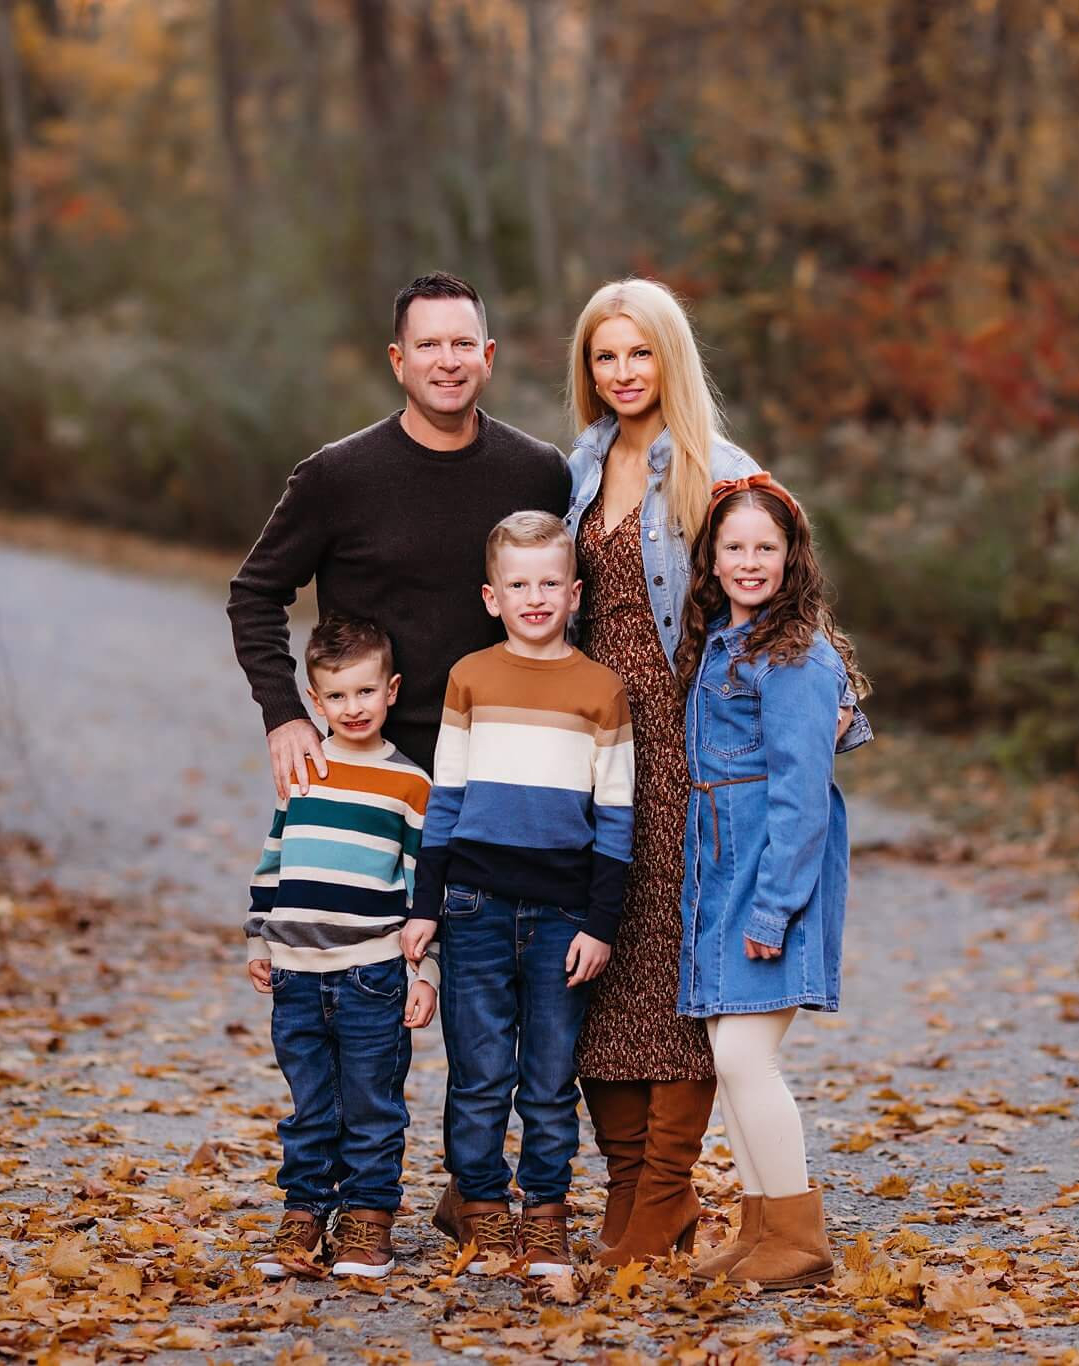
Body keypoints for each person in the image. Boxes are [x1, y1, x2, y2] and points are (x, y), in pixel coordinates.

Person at [560, 278, 871, 1266]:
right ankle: (636, 1201)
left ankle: (673, 1196)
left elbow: (775, 582)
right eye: (603, 357)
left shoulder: (713, 463)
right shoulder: (579, 462)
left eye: (638, 354)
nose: (621, 375)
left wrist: (831, 702)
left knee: (680, 970)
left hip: (691, 740)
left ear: (670, 359)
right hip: (601, 737)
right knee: (604, 960)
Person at [399, 512, 633, 1278]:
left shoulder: (602, 690)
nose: (535, 598)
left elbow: (616, 818)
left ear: (574, 592)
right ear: (492, 596)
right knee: (480, 1072)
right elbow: (448, 801)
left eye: (548, 584)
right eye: (517, 584)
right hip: (474, 905)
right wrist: (426, 906)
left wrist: (601, 924)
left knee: (548, 1076)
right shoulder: (471, 677)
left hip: (564, 915)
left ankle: (546, 1212)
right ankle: (483, 1206)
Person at [228, 272, 570, 785]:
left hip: (502, 766)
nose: (447, 361)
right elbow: (254, 595)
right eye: (428, 344)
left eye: (463, 344)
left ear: (489, 356)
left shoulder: (540, 473)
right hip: (369, 765)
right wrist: (285, 715)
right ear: (398, 361)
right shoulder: (337, 475)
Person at [672, 475, 862, 1292]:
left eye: (766, 548)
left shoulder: (797, 655)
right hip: (723, 861)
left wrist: (775, 906)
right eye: (735, 547)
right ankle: (760, 1227)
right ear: (711, 559)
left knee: (749, 1058)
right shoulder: (721, 638)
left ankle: (799, 1232)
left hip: (769, 870)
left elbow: (800, 793)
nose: (750, 562)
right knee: (730, 1054)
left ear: (793, 559)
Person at [244, 617, 438, 1281]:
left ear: (392, 690)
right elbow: (275, 856)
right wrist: (259, 933)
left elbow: (422, 892)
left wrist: (425, 972)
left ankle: (367, 1217)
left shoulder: (410, 784)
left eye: (365, 692)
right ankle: (304, 1209)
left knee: (371, 1103)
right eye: (337, 696)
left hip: (372, 973)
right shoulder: (306, 769)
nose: (352, 709)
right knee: (310, 1105)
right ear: (314, 700)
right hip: (295, 974)